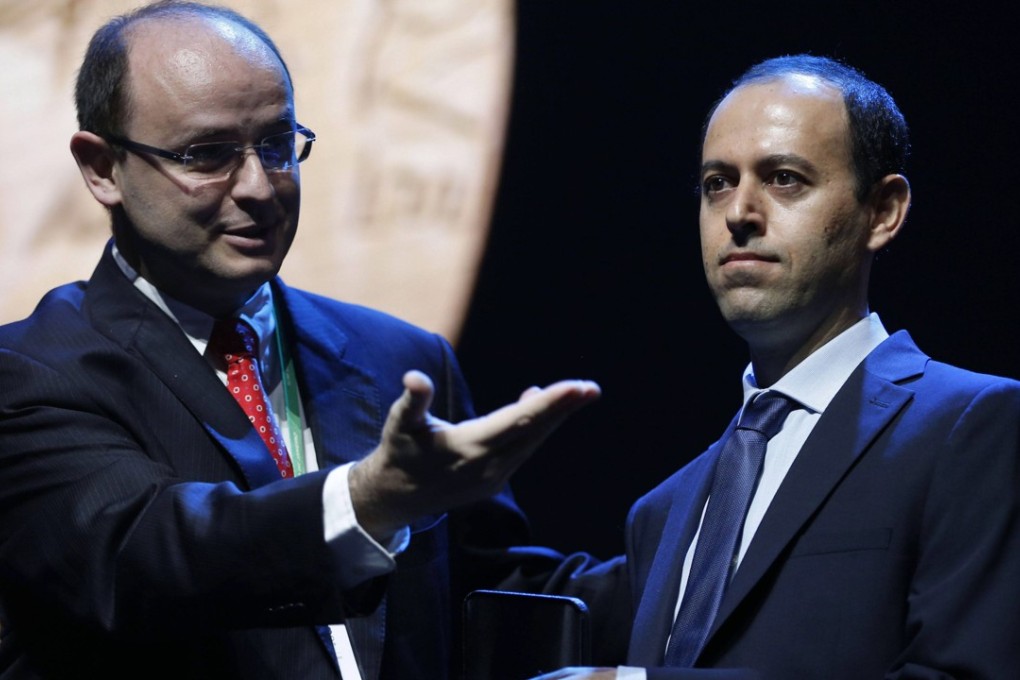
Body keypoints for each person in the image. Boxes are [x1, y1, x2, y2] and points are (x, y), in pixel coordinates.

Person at [0, 2, 605, 678]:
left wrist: (721, 531)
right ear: (103, 167)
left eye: (278, 145)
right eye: (208, 155)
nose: (259, 187)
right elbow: (158, 557)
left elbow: (505, 604)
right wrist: (371, 499)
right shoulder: (30, 375)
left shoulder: (400, 357)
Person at [535, 55, 1020, 679]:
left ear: (883, 212)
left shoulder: (974, 428)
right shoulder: (662, 511)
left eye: (784, 178)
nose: (739, 212)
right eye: (717, 182)